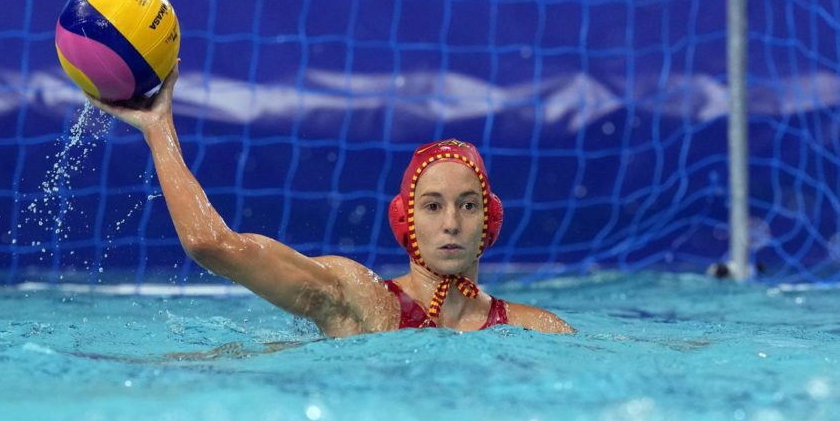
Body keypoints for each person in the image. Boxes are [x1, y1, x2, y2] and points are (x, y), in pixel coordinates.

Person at [89, 66, 575, 337]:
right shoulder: (361, 301)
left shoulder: (541, 329)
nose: (451, 222)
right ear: (405, 220)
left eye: (468, 205)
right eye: (432, 205)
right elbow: (212, 245)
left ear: (490, 220)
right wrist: (159, 129)